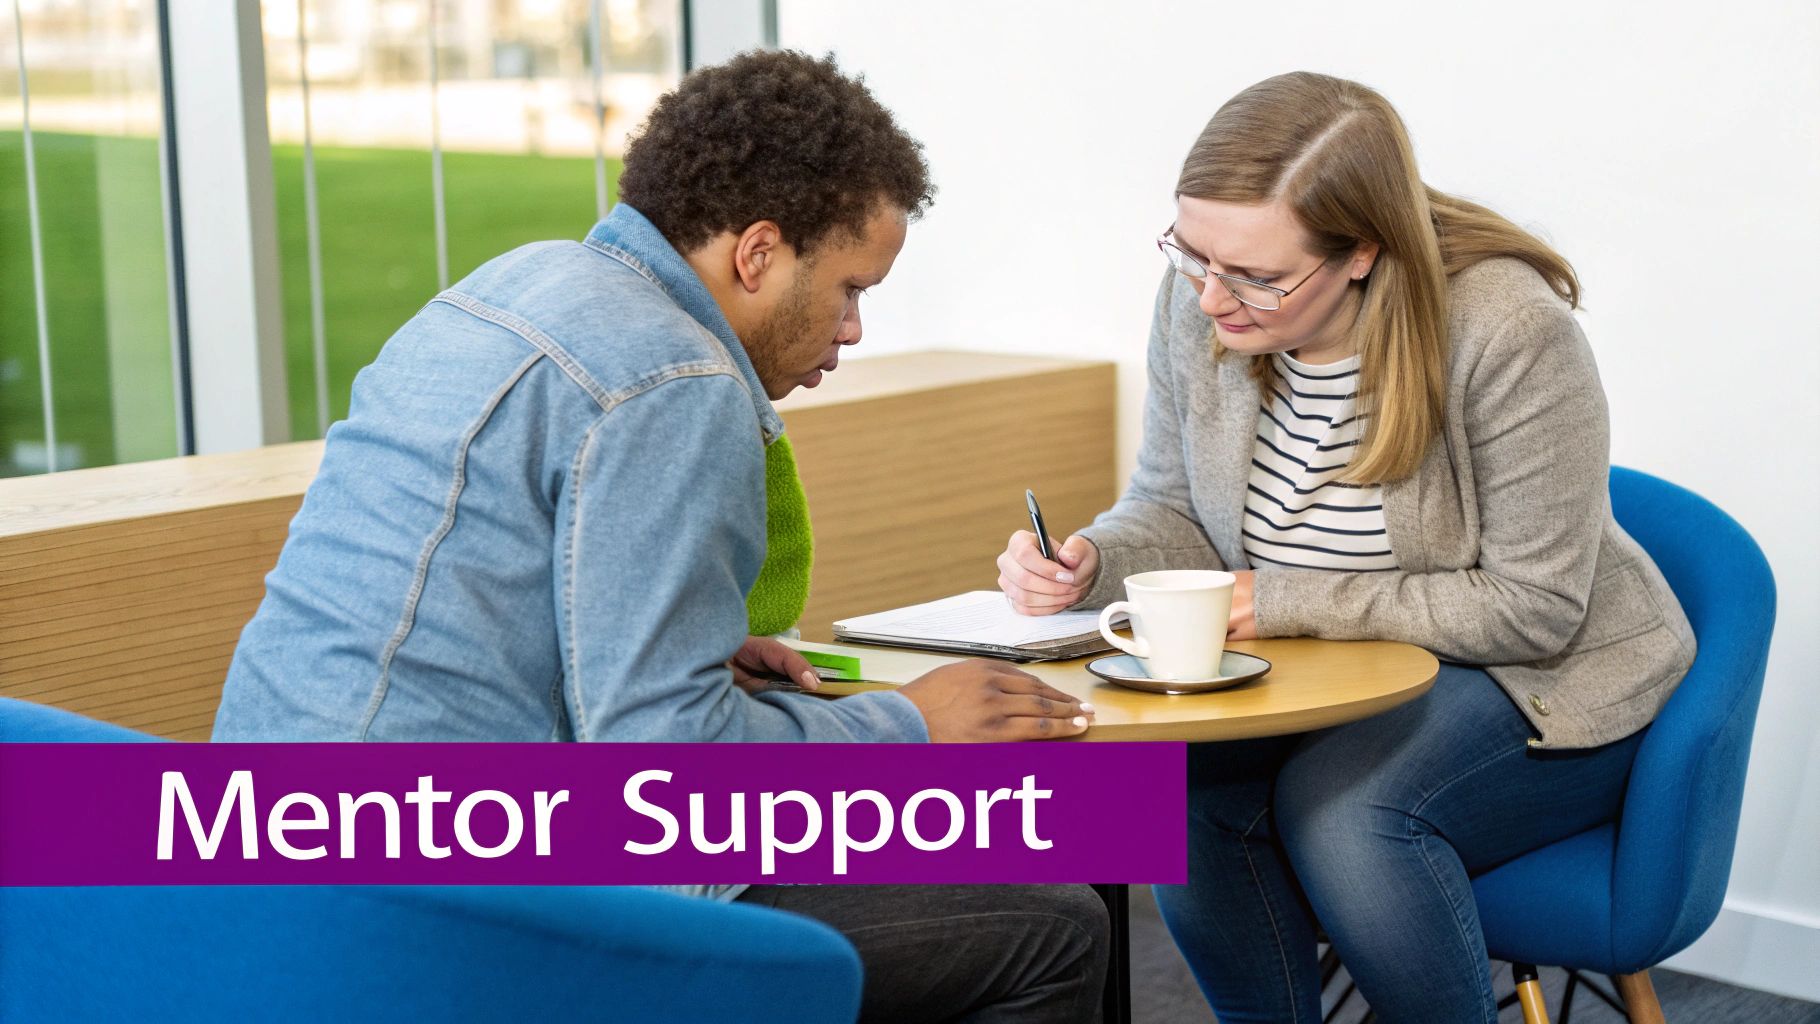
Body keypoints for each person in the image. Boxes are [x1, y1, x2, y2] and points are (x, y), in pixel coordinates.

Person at [215, 50, 1106, 1023]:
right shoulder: (675, 382)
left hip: (276, 867)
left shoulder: (508, 289)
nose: (851, 329)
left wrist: (695, 650)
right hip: (430, 919)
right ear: (758, 254)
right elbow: (667, 783)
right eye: (850, 288)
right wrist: (908, 725)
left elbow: (479, 612)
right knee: (1051, 919)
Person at [997, 71, 1694, 1023]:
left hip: (1543, 682)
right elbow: (1172, 510)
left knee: (1347, 815)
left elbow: (1534, 606)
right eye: (1191, 253)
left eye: (1254, 275)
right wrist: (1092, 561)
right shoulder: (1197, 298)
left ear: (1361, 249)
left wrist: (1280, 599)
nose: (1209, 298)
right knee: (1184, 800)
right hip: (1336, 681)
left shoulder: (1504, 328)